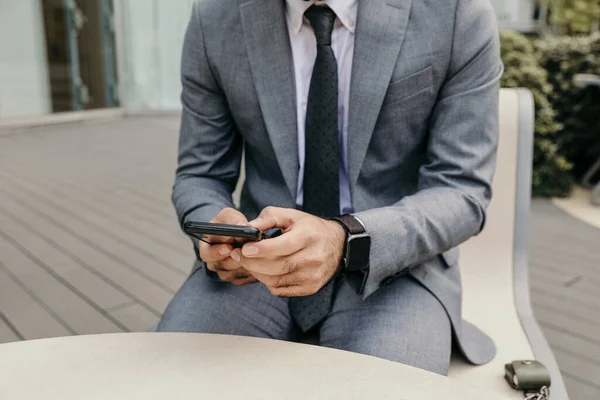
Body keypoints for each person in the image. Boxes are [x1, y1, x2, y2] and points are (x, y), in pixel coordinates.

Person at [157, 0, 503, 376]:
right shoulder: (214, 18)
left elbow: (461, 189)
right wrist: (214, 230)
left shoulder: (456, 13)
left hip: (397, 266)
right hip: (256, 265)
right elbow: (199, 174)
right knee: (176, 379)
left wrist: (344, 239)